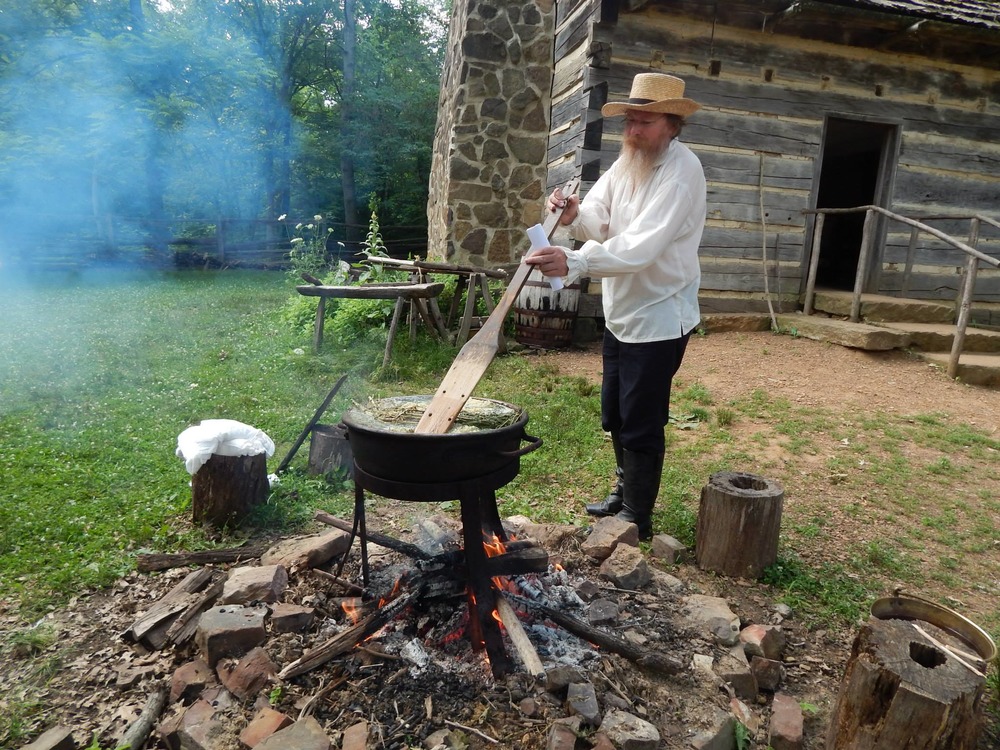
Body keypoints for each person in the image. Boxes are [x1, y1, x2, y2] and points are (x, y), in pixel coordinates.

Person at [525, 72, 706, 540]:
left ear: (671, 123)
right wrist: (572, 216)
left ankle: (638, 515)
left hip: (661, 314)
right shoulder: (629, 162)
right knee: (616, 411)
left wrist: (575, 259)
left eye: (643, 121)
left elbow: (641, 248)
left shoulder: (682, 173)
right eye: (630, 120)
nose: (633, 130)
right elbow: (598, 218)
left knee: (642, 419)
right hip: (623, 310)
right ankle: (624, 493)